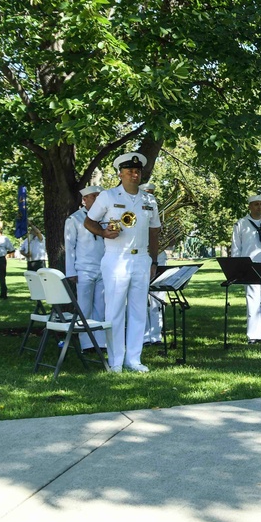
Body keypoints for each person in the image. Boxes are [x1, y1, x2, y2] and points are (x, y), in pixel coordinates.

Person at [84, 152, 161, 373]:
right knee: (115, 310)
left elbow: (154, 231)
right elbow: (89, 221)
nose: (134, 174)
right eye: (129, 171)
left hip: (141, 259)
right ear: (120, 174)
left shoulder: (148, 199)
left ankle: (133, 359)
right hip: (116, 258)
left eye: (137, 171)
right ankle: (116, 360)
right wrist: (103, 232)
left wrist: (153, 261)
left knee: (138, 311)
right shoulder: (108, 196)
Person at [231, 194, 261, 344]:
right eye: (256, 204)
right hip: (250, 266)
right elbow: (236, 247)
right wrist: (238, 267)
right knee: (253, 301)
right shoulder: (241, 224)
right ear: (250, 206)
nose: (259, 207)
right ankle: (253, 335)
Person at [65, 185, 106, 351]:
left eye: (99, 196)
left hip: (103, 267)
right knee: (84, 306)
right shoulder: (74, 219)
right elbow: (69, 247)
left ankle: (101, 342)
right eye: (93, 196)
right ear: (85, 199)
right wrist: (71, 271)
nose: (96, 199)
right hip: (84, 268)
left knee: (101, 306)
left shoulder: (106, 217)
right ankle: (86, 343)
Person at [140, 182, 166, 346]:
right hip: (141, 256)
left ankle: (156, 335)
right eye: (146, 192)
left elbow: (169, 241)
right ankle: (143, 336)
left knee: (158, 297)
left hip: (159, 256)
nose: (150, 196)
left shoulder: (159, 213)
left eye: (152, 193)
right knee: (140, 298)